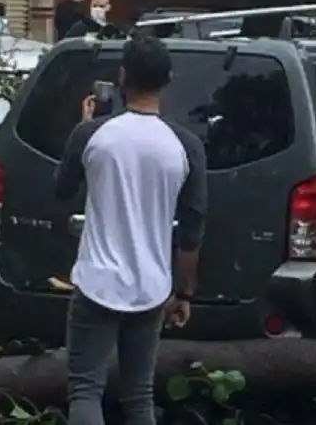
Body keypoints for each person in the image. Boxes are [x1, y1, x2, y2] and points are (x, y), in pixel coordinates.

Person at [54, 35, 208, 425]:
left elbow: (62, 190)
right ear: (168, 78)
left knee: (86, 390)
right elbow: (192, 227)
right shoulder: (186, 146)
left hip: (97, 283)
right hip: (152, 287)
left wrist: (82, 129)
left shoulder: (91, 136)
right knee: (138, 396)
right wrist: (184, 292)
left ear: (122, 76)